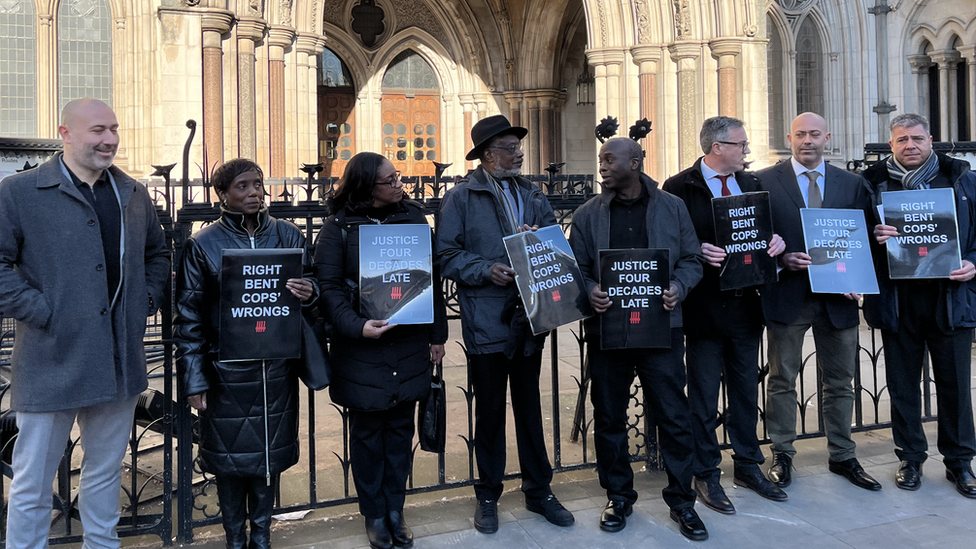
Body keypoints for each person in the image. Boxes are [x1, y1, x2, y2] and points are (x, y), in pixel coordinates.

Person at [0, 98, 169, 549]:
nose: (109, 139)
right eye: (98, 130)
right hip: (50, 358)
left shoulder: (133, 194)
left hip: (118, 361)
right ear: (66, 133)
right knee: (33, 479)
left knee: (104, 470)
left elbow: (158, 254)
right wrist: (41, 311)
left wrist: (145, 300)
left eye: (113, 129)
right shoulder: (18, 192)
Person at [436, 115, 575, 534]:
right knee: (491, 411)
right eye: (509, 147)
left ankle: (539, 490)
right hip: (486, 320)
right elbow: (445, 256)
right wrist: (485, 269)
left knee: (530, 407)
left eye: (519, 147)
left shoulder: (532, 194)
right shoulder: (462, 198)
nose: (518, 154)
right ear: (487, 155)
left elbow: (557, 243)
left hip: (529, 316)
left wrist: (539, 240)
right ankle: (488, 493)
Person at [568, 137, 708, 541]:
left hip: (662, 329)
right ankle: (618, 496)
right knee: (609, 417)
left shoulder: (671, 206)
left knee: (673, 417)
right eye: (600, 160)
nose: (603, 166)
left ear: (636, 161)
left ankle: (683, 502)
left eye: (610, 160)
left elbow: (691, 258)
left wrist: (679, 287)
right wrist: (589, 288)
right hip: (607, 332)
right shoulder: (587, 214)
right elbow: (576, 267)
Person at [175, 159, 317, 549]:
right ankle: (235, 538)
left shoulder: (288, 235)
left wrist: (311, 291)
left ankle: (262, 536)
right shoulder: (202, 244)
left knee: (268, 460)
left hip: (276, 370)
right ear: (223, 194)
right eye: (243, 186)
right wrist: (194, 379)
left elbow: (316, 283)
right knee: (229, 463)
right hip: (226, 373)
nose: (255, 192)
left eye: (258, 184)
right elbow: (188, 318)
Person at [314, 152, 448, 549]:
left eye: (398, 177)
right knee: (369, 437)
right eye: (389, 181)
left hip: (407, 342)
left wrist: (437, 335)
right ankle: (374, 513)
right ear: (365, 187)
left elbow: (431, 280)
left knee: (400, 432)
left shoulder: (413, 219)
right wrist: (357, 326)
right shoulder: (336, 230)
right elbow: (329, 290)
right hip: (362, 349)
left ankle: (396, 509)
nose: (399, 185)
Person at [662, 117, 788, 515]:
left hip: (746, 305)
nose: (746, 151)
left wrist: (776, 244)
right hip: (703, 307)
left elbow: (765, 234)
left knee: (745, 390)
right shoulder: (678, 188)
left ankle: (748, 466)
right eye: (741, 144)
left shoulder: (751, 185)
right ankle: (706, 473)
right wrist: (698, 249)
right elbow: (670, 245)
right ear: (717, 147)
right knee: (702, 395)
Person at [756, 112, 881, 491]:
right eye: (800, 135)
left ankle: (842, 455)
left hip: (837, 299)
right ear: (789, 138)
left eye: (814, 134)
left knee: (842, 381)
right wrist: (781, 259)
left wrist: (857, 275)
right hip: (788, 295)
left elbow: (866, 237)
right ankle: (782, 453)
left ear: (827, 137)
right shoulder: (763, 181)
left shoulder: (852, 183)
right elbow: (756, 237)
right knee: (782, 380)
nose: (807, 141)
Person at [862, 113, 976, 498]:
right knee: (903, 386)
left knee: (956, 385)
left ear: (931, 140)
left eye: (916, 138)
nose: (910, 145)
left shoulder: (962, 179)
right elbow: (852, 242)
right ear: (890, 145)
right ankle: (910, 458)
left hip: (950, 300)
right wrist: (872, 234)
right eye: (901, 140)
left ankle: (960, 462)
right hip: (898, 301)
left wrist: (973, 263)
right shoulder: (872, 184)